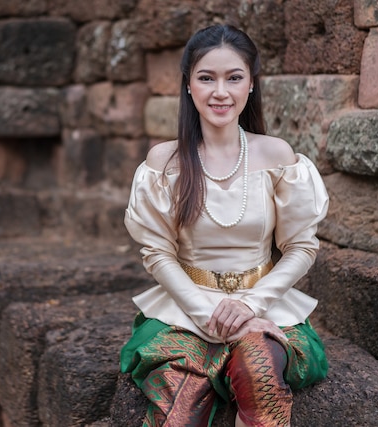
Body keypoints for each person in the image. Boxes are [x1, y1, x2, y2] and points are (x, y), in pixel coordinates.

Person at [119, 24, 330, 427]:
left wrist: (251, 307)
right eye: (206, 78)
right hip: (184, 307)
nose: (221, 92)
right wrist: (209, 314)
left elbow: (301, 247)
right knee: (179, 404)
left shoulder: (277, 155)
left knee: (259, 367)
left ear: (251, 84)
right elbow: (157, 252)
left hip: (265, 304)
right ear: (188, 85)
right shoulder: (164, 162)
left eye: (234, 78)